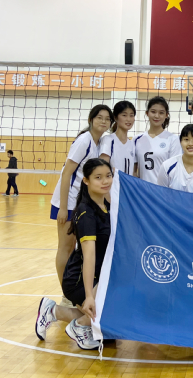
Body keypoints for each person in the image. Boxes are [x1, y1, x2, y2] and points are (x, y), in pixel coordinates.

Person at [35, 158, 113, 350]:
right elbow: (89, 257)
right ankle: (80, 326)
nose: (105, 181)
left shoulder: (107, 207)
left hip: (99, 278)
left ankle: (54, 311)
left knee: (110, 326)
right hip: (79, 280)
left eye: (108, 176)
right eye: (98, 177)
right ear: (86, 181)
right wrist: (90, 296)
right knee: (107, 316)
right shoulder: (86, 214)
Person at [50, 104, 114, 287]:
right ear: (91, 120)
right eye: (99, 117)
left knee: (75, 248)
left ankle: (72, 289)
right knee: (66, 247)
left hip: (79, 201)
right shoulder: (84, 140)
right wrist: (63, 208)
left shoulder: (98, 142)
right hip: (67, 201)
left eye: (107, 119)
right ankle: (65, 292)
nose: (103, 121)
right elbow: (66, 174)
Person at [133, 97, 180, 184]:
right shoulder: (136, 139)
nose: (157, 116)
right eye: (153, 112)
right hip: (142, 189)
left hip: (163, 190)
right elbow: (133, 171)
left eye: (161, 113)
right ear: (147, 113)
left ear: (166, 115)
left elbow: (175, 172)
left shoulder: (173, 139)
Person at [99, 100, 136, 175]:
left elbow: (134, 172)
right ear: (115, 118)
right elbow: (102, 169)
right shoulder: (108, 140)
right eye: (124, 115)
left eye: (131, 115)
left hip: (128, 183)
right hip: (112, 182)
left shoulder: (132, 144)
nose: (128, 119)